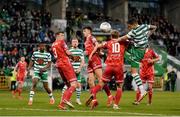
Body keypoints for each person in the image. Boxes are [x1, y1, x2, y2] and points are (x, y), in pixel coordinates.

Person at [116, 17, 157, 103]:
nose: (129, 28)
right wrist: (148, 35)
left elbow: (124, 37)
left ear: (134, 24)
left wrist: (116, 40)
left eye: (129, 26)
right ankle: (142, 91)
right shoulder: (145, 26)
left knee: (134, 72)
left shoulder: (134, 31)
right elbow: (155, 27)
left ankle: (142, 91)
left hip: (137, 52)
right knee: (126, 47)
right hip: (139, 51)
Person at [86, 30, 128, 109]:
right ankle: (115, 105)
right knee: (119, 87)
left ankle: (94, 97)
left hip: (109, 67)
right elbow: (132, 41)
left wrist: (91, 54)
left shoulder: (108, 43)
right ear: (118, 36)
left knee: (101, 84)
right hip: (118, 67)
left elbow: (97, 46)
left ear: (111, 36)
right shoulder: (123, 42)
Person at [83, 26, 113, 107]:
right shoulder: (85, 41)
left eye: (85, 31)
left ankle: (110, 96)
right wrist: (86, 53)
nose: (84, 33)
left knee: (101, 80)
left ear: (89, 31)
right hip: (90, 62)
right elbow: (91, 49)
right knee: (90, 82)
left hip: (95, 59)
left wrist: (92, 54)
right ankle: (94, 100)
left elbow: (97, 45)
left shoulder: (91, 37)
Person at [51, 32, 78, 110]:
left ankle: (62, 104)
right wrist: (73, 57)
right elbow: (67, 52)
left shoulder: (53, 44)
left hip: (59, 64)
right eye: (61, 35)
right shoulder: (62, 42)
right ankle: (66, 100)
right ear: (57, 36)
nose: (63, 37)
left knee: (68, 85)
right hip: (65, 63)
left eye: (63, 35)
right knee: (74, 84)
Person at [61, 37, 84, 105]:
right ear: (71, 43)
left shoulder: (80, 51)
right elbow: (67, 61)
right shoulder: (69, 51)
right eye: (73, 41)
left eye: (76, 41)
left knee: (79, 85)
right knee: (68, 85)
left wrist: (79, 68)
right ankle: (64, 98)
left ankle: (77, 99)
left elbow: (82, 61)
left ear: (78, 43)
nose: (75, 43)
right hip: (70, 71)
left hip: (78, 70)